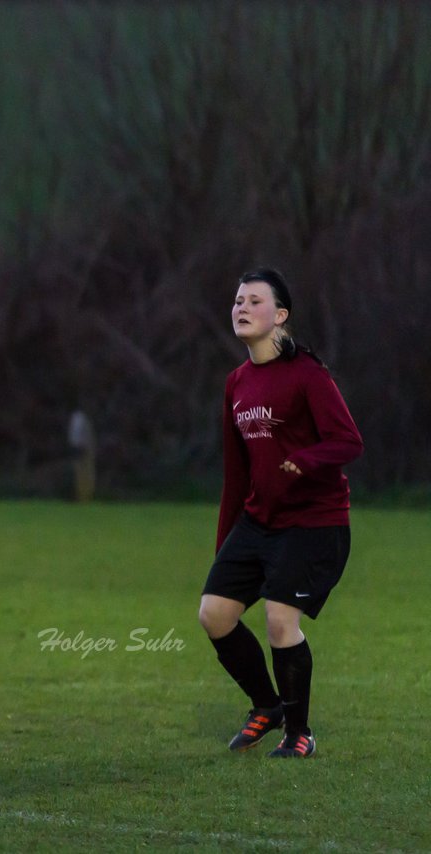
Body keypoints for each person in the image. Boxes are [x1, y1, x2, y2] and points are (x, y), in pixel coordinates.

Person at [197, 268, 362, 758]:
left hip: (313, 521)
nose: (241, 308)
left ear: (280, 316)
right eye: (237, 300)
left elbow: (348, 441)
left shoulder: (308, 375)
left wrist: (304, 461)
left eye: (254, 301)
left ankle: (299, 733)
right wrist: (225, 545)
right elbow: (235, 474)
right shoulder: (236, 384)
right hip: (257, 522)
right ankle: (266, 707)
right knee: (214, 614)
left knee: (278, 622)